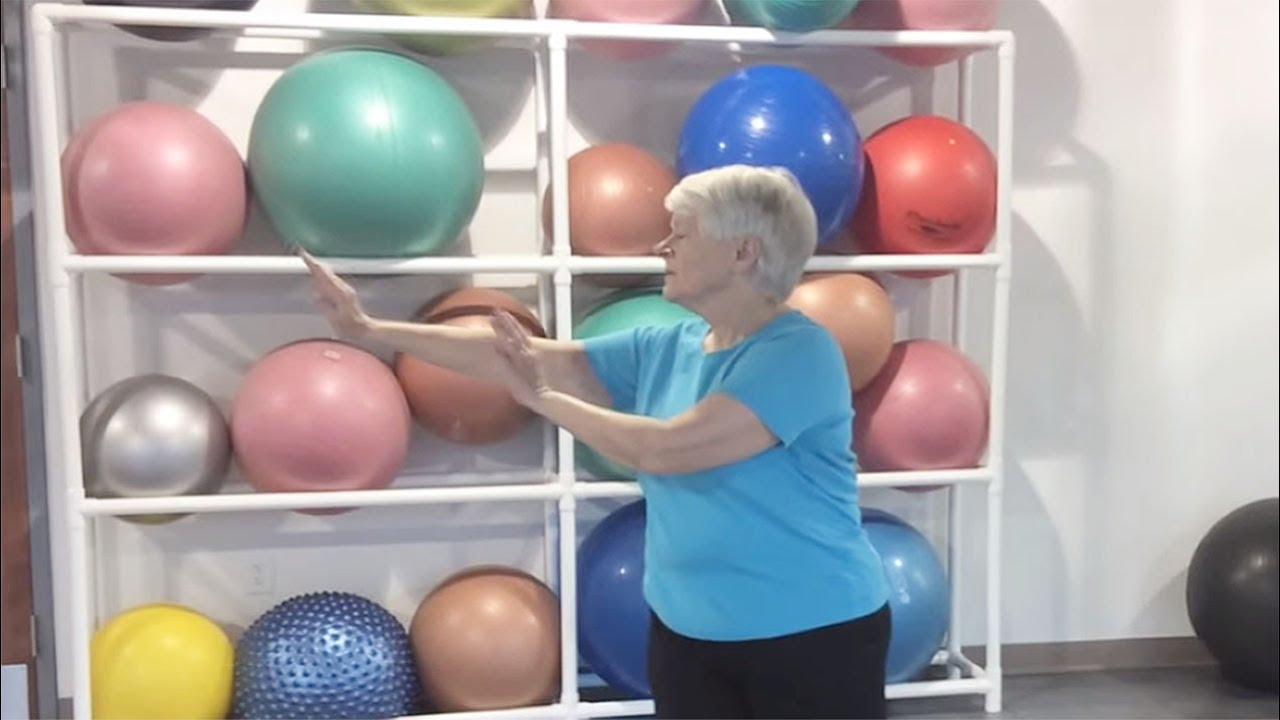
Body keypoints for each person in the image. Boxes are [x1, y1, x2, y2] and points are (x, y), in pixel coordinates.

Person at [304, 164, 892, 719]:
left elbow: (668, 449)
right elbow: (521, 358)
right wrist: (370, 328)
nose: (663, 247)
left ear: (743, 252)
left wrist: (544, 401)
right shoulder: (670, 347)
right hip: (689, 632)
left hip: (811, 632)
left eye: (682, 234)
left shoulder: (798, 353)